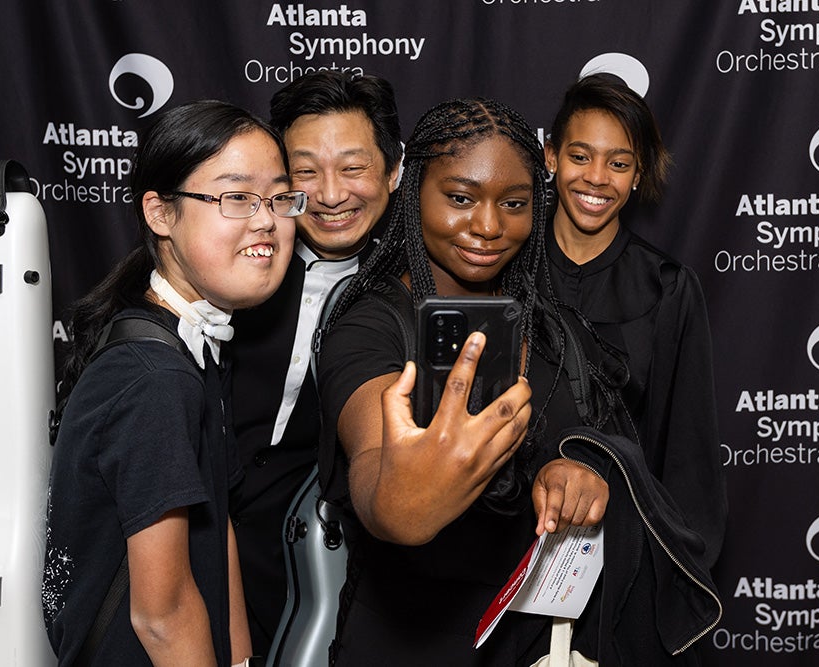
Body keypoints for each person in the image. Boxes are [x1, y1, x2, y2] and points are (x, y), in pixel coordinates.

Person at [316, 98, 615, 665]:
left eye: (514, 204)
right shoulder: (371, 327)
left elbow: (600, 444)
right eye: (460, 198)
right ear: (414, 193)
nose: (489, 226)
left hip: (533, 644)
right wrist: (403, 498)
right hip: (408, 646)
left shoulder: (551, 329)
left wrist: (578, 473)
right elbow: (378, 472)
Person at [41, 100, 300, 667]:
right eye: (237, 197)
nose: (266, 220)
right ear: (161, 213)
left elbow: (217, 523)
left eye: (280, 198)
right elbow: (161, 615)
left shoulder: (193, 345)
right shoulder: (153, 377)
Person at [229, 70, 402, 654]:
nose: (330, 195)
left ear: (394, 171)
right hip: (202, 541)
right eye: (305, 172)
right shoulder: (226, 263)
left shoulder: (414, 296)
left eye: (353, 168)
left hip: (330, 567)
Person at [543, 73, 727, 568]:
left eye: (619, 163)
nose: (597, 178)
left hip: (623, 553)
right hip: (508, 546)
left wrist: (674, 571)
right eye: (580, 156)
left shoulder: (667, 288)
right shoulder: (505, 267)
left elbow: (686, 454)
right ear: (551, 156)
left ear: (638, 174)